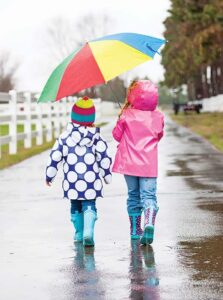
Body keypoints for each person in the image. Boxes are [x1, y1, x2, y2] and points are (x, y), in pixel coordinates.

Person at [45, 96, 112, 247]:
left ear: (73, 117)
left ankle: (79, 233)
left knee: (75, 205)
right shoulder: (96, 137)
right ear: (92, 118)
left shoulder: (64, 137)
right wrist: (106, 175)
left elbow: (55, 156)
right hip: (90, 181)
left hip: (72, 181)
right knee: (89, 204)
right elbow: (104, 157)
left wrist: (50, 175)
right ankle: (89, 231)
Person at [112, 80, 164, 245]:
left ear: (132, 96)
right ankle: (148, 220)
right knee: (149, 195)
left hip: (129, 164)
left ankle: (135, 230)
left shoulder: (127, 115)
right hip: (148, 165)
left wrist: (121, 119)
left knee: (133, 196)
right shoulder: (158, 116)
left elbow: (116, 136)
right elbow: (159, 135)